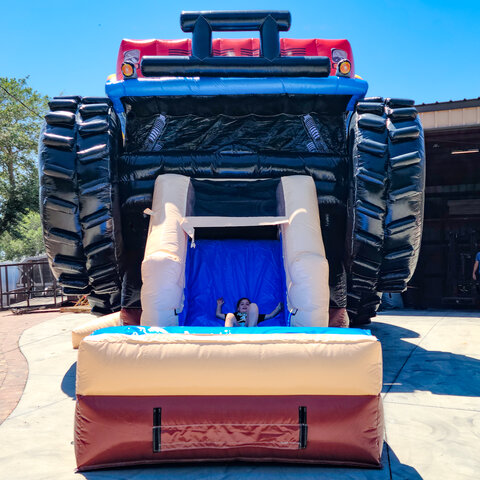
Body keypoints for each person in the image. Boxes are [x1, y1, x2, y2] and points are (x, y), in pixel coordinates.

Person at [216, 297, 283, 327]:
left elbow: (271, 315)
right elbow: (218, 314)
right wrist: (219, 305)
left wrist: (278, 308)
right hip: (237, 327)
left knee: (254, 305)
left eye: (247, 304)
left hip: (249, 326)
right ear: (238, 308)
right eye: (242, 304)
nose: (245, 305)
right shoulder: (235, 314)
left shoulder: (254, 316)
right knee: (229, 315)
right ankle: (227, 336)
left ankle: (250, 331)